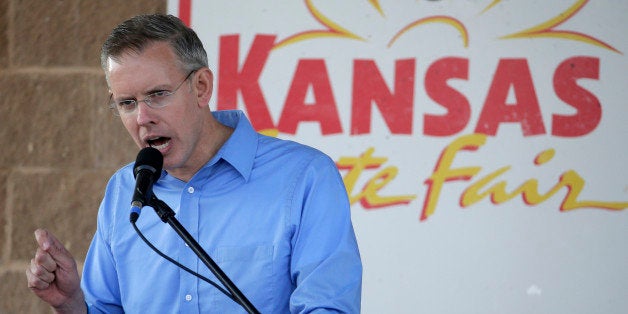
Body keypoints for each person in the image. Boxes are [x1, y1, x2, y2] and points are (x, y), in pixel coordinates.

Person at [26, 14, 362, 313]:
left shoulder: (304, 177)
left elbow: (328, 307)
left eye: (157, 94)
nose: (142, 118)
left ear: (201, 87)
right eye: (127, 103)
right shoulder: (123, 191)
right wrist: (70, 303)